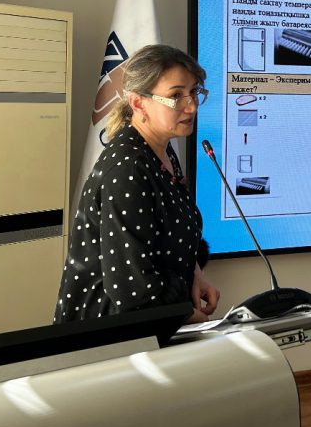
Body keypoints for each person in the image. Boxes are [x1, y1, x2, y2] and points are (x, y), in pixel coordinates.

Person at [54, 44, 220, 325]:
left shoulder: (162, 152)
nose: (191, 106)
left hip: (152, 325)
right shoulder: (128, 168)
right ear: (138, 103)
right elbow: (133, 291)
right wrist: (187, 315)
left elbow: (164, 237)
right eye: (176, 96)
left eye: (194, 92)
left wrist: (194, 274)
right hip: (108, 336)